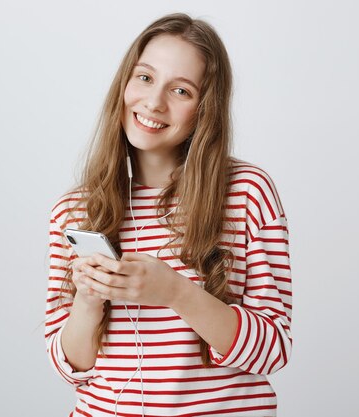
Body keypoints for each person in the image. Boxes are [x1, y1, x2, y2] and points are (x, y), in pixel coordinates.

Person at [45, 12, 292, 417]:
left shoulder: (247, 193)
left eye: (180, 90)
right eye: (144, 78)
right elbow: (69, 367)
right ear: (124, 83)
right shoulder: (74, 210)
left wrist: (175, 293)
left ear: (204, 109)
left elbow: (273, 350)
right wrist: (88, 301)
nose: (154, 102)